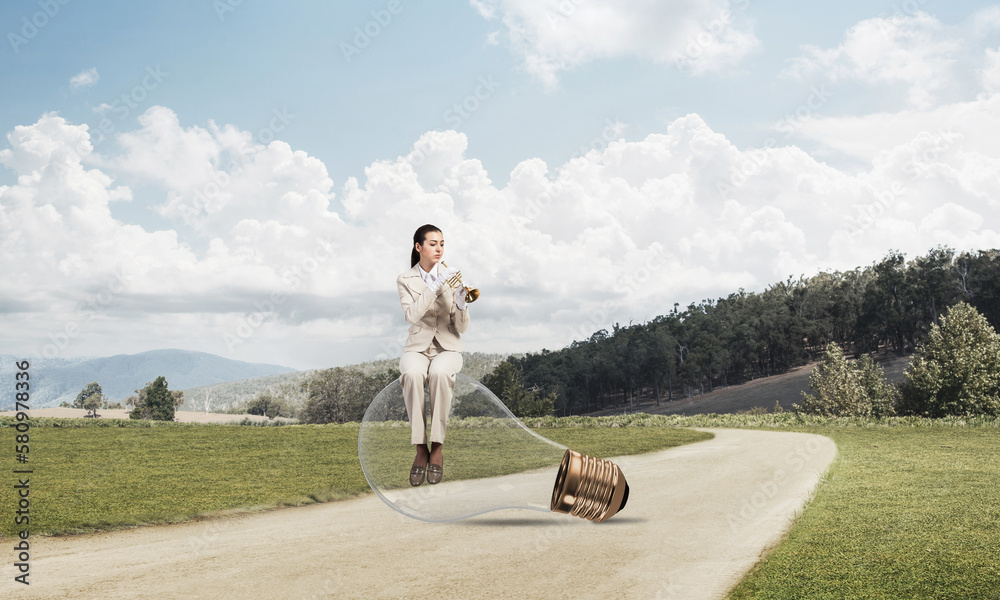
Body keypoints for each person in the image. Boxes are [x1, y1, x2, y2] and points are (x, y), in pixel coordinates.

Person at [397, 224, 471, 485]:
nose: (439, 248)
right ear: (419, 247)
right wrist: (436, 285)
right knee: (411, 373)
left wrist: (461, 304)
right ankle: (420, 448)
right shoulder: (405, 280)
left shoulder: (454, 278)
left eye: (442, 243)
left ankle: (437, 446)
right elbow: (411, 315)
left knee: (440, 373)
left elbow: (461, 327)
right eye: (432, 243)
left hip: (448, 347)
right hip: (417, 346)